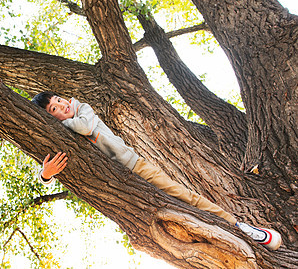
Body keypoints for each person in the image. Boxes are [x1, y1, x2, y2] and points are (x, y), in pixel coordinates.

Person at [31, 91, 282, 250]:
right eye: (54, 109)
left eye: (60, 100)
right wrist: (45, 175)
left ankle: (239, 226)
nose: (62, 106)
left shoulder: (82, 109)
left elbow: (86, 128)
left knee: (186, 196)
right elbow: (47, 165)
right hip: (118, 185)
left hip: (134, 166)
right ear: (49, 118)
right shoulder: (62, 132)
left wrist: (64, 119)